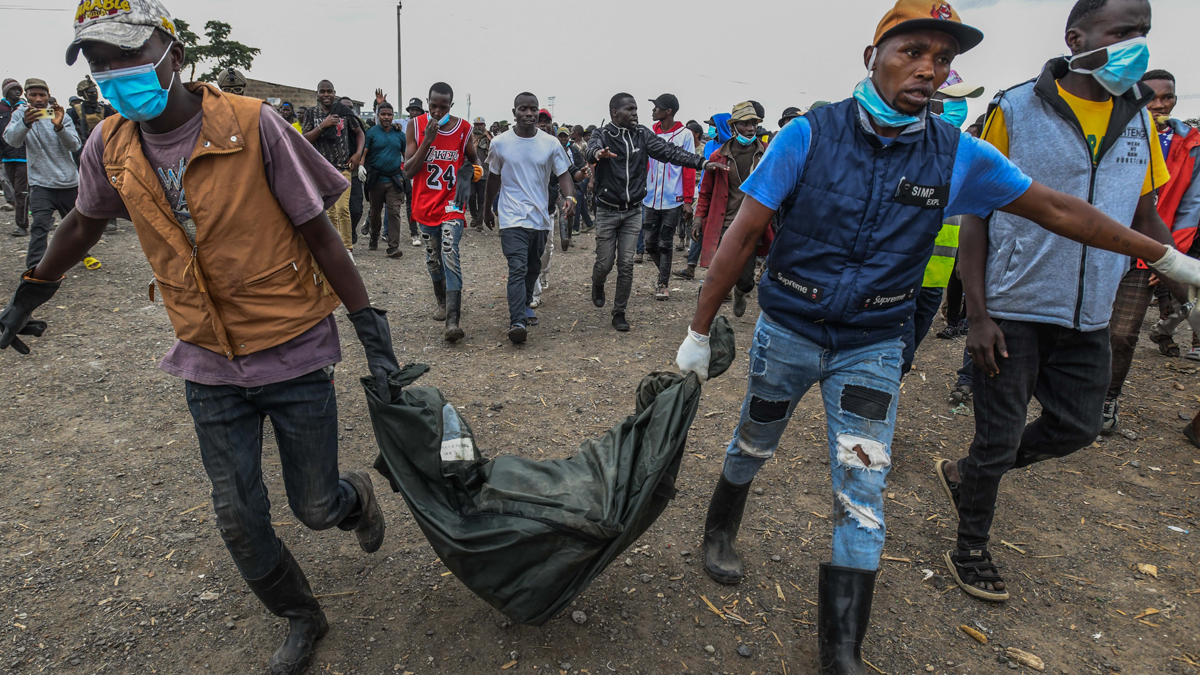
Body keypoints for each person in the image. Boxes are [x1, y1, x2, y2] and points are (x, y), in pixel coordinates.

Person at [673, 0, 1200, 671]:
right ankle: (720, 527)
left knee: (862, 484)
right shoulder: (810, 135)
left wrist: (1163, 257)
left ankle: (842, 654)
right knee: (756, 434)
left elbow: (1061, 209)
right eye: (912, 51)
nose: (929, 69)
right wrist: (698, 328)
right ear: (873, 58)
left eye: (943, 59)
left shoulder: (958, 156)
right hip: (790, 330)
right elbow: (742, 235)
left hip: (871, 345)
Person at [0, 3, 400, 672]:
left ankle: (352, 499)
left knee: (314, 504)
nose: (112, 73)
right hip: (207, 359)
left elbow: (321, 234)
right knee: (238, 515)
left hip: (293, 350)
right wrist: (27, 292)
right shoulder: (109, 144)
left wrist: (373, 333)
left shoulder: (255, 125)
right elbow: (81, 225)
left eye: (127, 55)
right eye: (98, 63)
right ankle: (302, 614)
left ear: (175, 54)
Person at [935, 0, 1187, 604]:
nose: (1137, 45)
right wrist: (979, 312)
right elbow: (975, 212)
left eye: (1144, 33)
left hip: (1089, 313)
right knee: (997, 436)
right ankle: (970, 546)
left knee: (1076, 427)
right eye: (1123, 32)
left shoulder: (1140, 123)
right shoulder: (1015, 108)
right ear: (1077, 37)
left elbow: (1146, 215)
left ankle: (969, 475)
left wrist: (1185, 281)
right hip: (1013, 307)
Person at [585, 93, 721, 332]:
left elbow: (670, 152)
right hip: (607, 211)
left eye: (636, 108)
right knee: (604, 263)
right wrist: (598, 154)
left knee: (626, 264)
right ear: (615, 113)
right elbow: (591, 150)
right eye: (630, 109)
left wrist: (702, 163)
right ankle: (598, 282)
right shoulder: (602, 134)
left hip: (633, 211)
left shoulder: (642, 135)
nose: (636, 113)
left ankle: (619, 313)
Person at [899, 71, 984, 375]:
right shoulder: (903, 143)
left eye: (962, 101)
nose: (959, 107)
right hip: (900, 272)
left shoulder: (969, 151)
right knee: (897, 349)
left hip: (937, 273)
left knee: (910, 346)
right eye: (952, 100)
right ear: (930, 103)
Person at [482, 93, 575, 344]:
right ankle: (517, 321)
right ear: (514, 113)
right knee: (518, 267)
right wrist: (487, 208)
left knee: (533, 267)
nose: (529, 113)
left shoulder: (551, 143)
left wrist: (570, 197)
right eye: (523, 109)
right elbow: (493, 178)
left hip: (540, 218)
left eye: (533, 109)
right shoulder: (500, 143)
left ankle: (523, 305)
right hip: (511, 217)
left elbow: (564, 174)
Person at [404, 81, 480, 343]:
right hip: (425, 206)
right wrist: (428, 140)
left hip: (452, 204)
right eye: (433, 106)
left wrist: (470, 173)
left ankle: (453, 320)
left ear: (451, 106)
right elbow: (409, 170)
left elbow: (474, 160)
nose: (438, 112)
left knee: (449, 250)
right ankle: (441, 300)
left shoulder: (464, 129)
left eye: (443, 107)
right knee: (433, 258)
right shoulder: (415, 126)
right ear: (427, 103)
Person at [1139, 70, 1200, 360]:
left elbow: (1192, 205)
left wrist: (1171, 254)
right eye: (1151, 97)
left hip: (1168, 242)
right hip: (1117, 244)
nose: (1159, 105)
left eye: (1168, 97)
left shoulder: (1190, 144)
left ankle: (1170, 335)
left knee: (1181, 298)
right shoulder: (1120, 136)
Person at [693, 102, 770, 318]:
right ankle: (704, 316)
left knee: (745, 278)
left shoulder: (765, 155)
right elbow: (706, 191)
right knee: (717, 272)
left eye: (753, 123)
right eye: (745, 124)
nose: (750, 129)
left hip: (751, 224)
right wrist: (699, 217)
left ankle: (740, 292)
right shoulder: (719, 156)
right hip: (723, 223)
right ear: (734, 127)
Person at [2, 78, 85, 270]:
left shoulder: (60, 115)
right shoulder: (20, 114)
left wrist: (59, 127)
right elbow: (11, 141)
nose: (38, 99)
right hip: (41, 183)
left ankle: (83, 254)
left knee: (79, 227)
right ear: (27, 97)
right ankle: (34, 269)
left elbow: (75, 145)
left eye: (42, 94)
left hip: (69, 182)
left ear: (48, 95)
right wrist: (25, 123)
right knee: (39, 225)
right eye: (33, 95)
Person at [641, 93, 697, 301]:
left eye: (657, 108)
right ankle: (663, 270)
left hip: (673, 199)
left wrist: (688, 201)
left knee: (665, 242)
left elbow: (689, 167)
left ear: (668, 112)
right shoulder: (649, 133)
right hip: (650, 198)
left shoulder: (685, 135)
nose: (653, 111)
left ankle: (663, 283)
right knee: (649, 243)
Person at [302, 80, 365, 253]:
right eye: (322, 91)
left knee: (343, 208)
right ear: (317, 93)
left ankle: (347, 248)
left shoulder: (343, 112)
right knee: (328, 210)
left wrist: (358, 154)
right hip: (320, 169)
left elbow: (359, 133)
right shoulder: (311, 113)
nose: (326, 95)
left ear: (334, 93)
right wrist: (322, 126)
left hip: (342, 167)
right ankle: (334, 248)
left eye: (329, 91)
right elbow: (304, 139)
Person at [675, 113, 733, 281]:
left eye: (713, 125)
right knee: (697, 227)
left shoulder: (732, 148)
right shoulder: (710, 146)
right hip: (705, 194)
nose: (711, 128)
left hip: (725, 197)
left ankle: (720, 277)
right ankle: (691, 267)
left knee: (722, 236)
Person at [362, 101, 406, 258]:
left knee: (394, 211)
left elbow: (407, 157)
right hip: (376, 180)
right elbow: (364, 153)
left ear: (393, 116)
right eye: (383, 114)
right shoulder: (372, 133)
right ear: (378, 115)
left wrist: (407, 175)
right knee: (375, 212)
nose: (386, 117)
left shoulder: (400, 135)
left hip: (394, 180)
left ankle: (393, 247)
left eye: (389, 114)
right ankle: (374, 236)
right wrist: (361, 167)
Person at [1, 79, 29, 237]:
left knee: (21, 191)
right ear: (6, 92)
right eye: (14, 89)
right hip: (7, 157)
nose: (18, 92)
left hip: (25, 155)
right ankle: (40, 213)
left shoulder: (26, 108)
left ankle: (22, 225)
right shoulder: (0, 109)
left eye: (19, 89)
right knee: (15, 190)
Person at [556, 125, 587, 251]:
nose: (563, 138)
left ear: (569, 137)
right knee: (563, 209)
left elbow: (579, 167)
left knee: (570, 211)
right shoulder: (554, 149)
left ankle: (568, 236)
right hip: (558, 185)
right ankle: (564, 238)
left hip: (572, 185)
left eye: (565, 136)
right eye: (561, 136)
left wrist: (579, 183)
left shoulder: (574, 150)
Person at [66, 75, 117, 145]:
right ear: (83, 94)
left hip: (105, 143)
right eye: (91, 92)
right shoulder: (75, 111)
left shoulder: (105, 108)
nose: (94, 94)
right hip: (85, 144)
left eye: (95, 92)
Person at [469, 116, 491, 231]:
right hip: (471, 173)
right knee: (471, 196)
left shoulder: (489, 138)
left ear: (484, 125)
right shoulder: (469, 138)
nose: (478, 126)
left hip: (485, 173)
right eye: (476, 125)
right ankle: (474, 216)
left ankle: (479, 222)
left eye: (481, 125)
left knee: (482, 199)